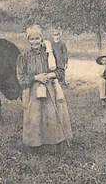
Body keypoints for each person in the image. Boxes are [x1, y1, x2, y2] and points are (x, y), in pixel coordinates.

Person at [16, 25, 72, 153]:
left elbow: (61, 73)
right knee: (34, 118)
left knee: (51, 116)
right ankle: (35, 147)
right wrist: (36, 77)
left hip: (50, 90)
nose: (35, 41)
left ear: (42, 38)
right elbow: (21, 78)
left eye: (37, 38)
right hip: (32, 92)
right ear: (28, 40)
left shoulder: (51, 54)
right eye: (32, 39)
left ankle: (52, 146)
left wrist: (49, 75)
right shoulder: (24, 56)